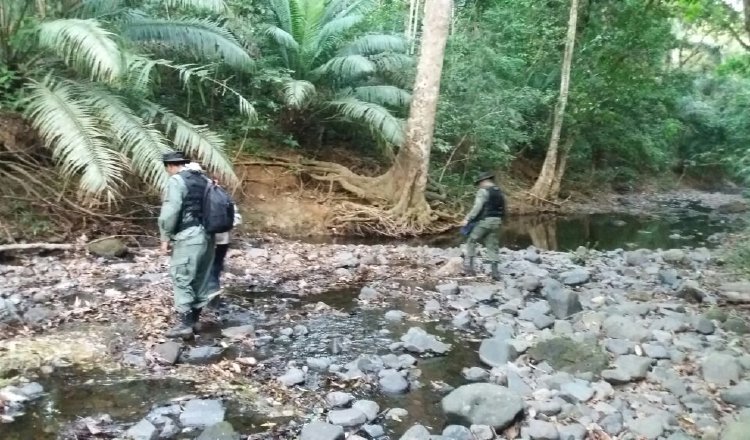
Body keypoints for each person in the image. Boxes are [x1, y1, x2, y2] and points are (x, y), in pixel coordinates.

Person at [158, 152, 216, 338]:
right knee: (200, 277)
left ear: (170, 165)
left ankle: (184, 325)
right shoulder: (204, 179)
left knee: (181, 276)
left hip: (189, 236)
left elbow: (171, 211)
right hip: (209, 235)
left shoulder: (177, 181)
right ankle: (195, 321)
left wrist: (165, 236)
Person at [184, 162, 242, 297]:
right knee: (214, 270)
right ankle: (214, 297)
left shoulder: (192, 191)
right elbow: (235, 216)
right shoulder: (218, 189)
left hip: (204, 238)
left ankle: (201, 300)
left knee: (200, 270)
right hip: (223, 238)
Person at [461, 171, 506, 280]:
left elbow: (477, 207)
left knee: (471, 239)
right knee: (492, 245)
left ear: (484, 181)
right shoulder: (499, 191)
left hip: (485, 221)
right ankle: (495, 273)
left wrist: (467, 218)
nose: (479, 185)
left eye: (479, 183)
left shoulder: (483, 191)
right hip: (497, 221)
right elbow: (504, 208)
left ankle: (470, 269)